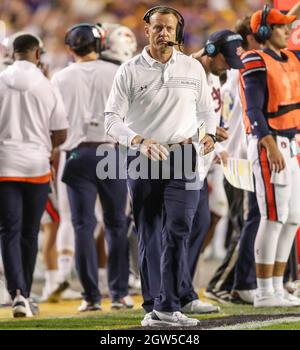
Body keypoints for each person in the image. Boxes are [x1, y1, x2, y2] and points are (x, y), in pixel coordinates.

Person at [105, 5, 216, 327]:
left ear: (177, 32)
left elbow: (207, 110)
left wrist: (208, 133)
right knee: (150, 232)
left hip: (183, 156)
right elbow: (111, 119)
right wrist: (139, 141)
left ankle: (169, 304)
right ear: (147, 30)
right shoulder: (129, 69)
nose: (164, 33)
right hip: (143, 157)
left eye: (169, 28)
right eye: (158, 27)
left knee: (180, 228)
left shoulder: (193, 68)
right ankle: (154, 305)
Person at [52, 23, 134, 311]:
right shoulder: (116, 73)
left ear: (70, 47)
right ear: (99, 45)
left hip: (75, 154)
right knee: (116, 225)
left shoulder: (60, 78)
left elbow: (54, 125)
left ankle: (90, 297)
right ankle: (120, 293)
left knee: (82, 227)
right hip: (110, 151)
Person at [0, 34, 68, 317]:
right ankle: (25, 294)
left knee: (9, 231)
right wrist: (45, 147)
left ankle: (16, 293)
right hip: (37, 165)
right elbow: (61, 132)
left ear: (12, 52)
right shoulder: (47, 84)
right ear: (37, 53)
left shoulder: (1, 79)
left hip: (4, 164)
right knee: (30, 233)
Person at [241, 6, 300, 307]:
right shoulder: (255, 59)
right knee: (273, 217)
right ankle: (264, 291)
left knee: (292, 219)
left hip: (291, 142)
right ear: (264, 32)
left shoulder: (291, 58)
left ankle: (276, 287)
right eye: (280, 27)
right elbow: (253, 109)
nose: (287, 31)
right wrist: (268, 142)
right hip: (270, 143)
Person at [189, 30, 244, 287]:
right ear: (211, 51)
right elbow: (179, 116)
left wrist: (216, 137)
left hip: (201, 161)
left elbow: (205, 119)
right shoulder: (189, 72)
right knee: (186, 229)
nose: (227, 66)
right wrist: (207, 134)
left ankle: (183, 291)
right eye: (226, 59)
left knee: (199, 227)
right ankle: (173, 294)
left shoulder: (211, 76)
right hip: (182, 161)